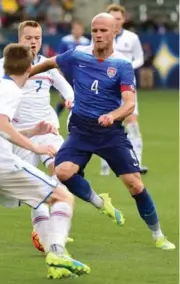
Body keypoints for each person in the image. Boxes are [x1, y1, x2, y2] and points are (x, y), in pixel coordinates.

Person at [29, 13, 175, 250]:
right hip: (81, 130)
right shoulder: (78, 54)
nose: (97, 35)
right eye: (94, 30)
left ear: (114, 32)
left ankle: (158, 234)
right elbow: (49, 63)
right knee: (63, 172)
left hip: (110, 133)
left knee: (135, 185)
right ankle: (100, 202)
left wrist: (113, 116)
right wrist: (25, 74)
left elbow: (129, 103)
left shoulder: (122, 65)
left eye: (103, 31)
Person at [0, 20, 124, 254]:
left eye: (37, 38)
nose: (33, 42)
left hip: (47, 129)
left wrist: (72, 100)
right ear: (19, 39)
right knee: (34, 190)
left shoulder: (47, 66)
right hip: (21, 136)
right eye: (28, 38)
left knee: (63, 174)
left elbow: (66, 88)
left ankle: (97, 203)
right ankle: (48, 235)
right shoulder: (6, 64)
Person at [0, 43, 90, 279]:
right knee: (63, 196)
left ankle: (55, 262)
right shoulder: (12, 90)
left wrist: (32, 131)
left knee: (40, 200)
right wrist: (37, 145)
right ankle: (57, 252)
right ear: (32, 67)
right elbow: (0, 125)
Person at [100, 4, 148, 176]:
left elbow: (140, 58)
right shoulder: (101, 36)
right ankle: (105, 165)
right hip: (106, 86)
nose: (115, 22)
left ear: (123, 20)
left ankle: (137, 163)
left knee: (132, 124)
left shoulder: (132, 38)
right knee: (106, 123)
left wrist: (127, 68)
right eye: (112, 19)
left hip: (127, 87)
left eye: (118, 19)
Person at [56, 20, 90, 116]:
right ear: (72, 30)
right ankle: (55, 117)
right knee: (65, 98)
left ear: (82, 30)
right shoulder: (65, 40)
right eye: (75, 28)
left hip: (80, 75)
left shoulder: (86, 42)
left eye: (79, 29)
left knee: (80, 98)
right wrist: (59, 72)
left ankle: (77, 119)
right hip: (67, 74)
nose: (77, 31)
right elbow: (58, 57)